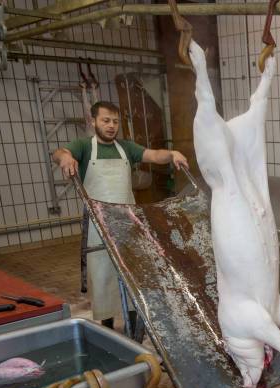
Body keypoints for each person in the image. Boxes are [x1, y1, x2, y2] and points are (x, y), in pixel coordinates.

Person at [53, 101, 189, 329]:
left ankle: (133, 323)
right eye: (106, 120)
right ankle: (107, 324)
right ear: (93, 121)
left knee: (131, 273)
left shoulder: (125, 147)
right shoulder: (85, 146)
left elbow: (154, 155)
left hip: (127, 221)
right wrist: (65, 157)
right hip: (99, 223)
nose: (111, 126)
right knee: (103, 274)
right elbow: (60, 153)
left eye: (115, 121)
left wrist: (173, 153)